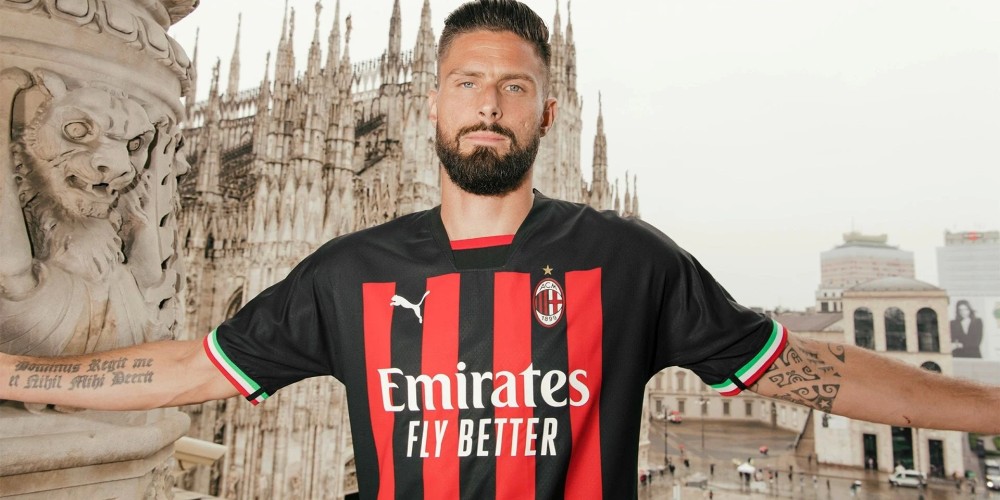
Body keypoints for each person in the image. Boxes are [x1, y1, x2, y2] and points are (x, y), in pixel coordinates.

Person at [1, 1, 999, 498]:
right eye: (467, 82)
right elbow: (194, 364)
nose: (489, 103)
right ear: (430, 105)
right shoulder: (350, 269)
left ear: (549, 114)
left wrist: (991, 406)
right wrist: (17, 374)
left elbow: (808, 370)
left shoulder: (627, 260)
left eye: (515, 86)